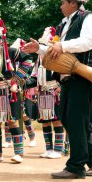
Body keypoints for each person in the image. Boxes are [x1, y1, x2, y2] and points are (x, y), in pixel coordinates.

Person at [22, 0, 92, 178]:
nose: (61, 6)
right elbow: (58, 53)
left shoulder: (90, 18)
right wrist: (39, 49)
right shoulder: (63, 24)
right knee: (69, 118)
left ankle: (76, 167)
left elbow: (89, 41)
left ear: (73, 3)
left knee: (77, 120)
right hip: (69, 79)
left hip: (84, 77)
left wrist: (62, 45)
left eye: (63, 2)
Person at [0, 18, 33, 163]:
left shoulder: (10, 51)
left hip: (9, 92)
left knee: (12, 121)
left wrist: (17, 78)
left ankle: (18, 153)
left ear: (2, 39)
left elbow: (28, 60)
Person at [32, 27, 65, 159]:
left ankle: (58, 149)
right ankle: (48, 148)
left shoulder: (58, 58)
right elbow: (35, 76)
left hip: (54, 91)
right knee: (45, 121)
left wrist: (60, 86)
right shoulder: (38, 61)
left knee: (57, 120)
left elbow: (64, 73)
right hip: (42, 92)